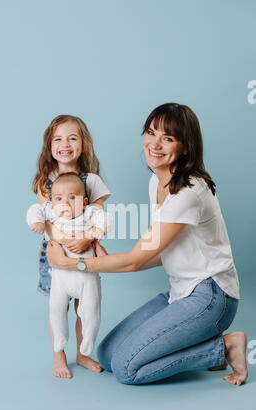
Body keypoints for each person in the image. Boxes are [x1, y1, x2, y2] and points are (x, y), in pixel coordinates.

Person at [46, 103, 248, 386]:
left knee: (127, 369)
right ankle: (200, 341)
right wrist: (105, 258)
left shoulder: (188, 192)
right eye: (151, 132)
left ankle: (223, 347)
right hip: (180, 291)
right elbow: (155, 251)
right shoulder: (158, 180)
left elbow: (137, 260)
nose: (154, 144)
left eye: (168, 138)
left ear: (186, 146)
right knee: (106, 355)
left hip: (212, 297)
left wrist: (75, 263)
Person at [32, 115, 111, 378]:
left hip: (85, 250)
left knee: (84, 304)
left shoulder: (92, 179)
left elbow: (98, 214)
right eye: (58, 139)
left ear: (83, 145)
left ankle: (83, 353)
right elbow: (45, 219)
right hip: (56, 250)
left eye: (72, 138)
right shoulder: (46, 181)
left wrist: (88, 239)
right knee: (58, 305)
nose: (65, 144)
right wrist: (66, 242)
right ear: (49, 147)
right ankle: (59, 354)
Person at [27, 172, 113, 359]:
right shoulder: (51, 211)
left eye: (72, 198)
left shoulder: (89, 213)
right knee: (56, 307)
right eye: (58, 198)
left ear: (83, 202)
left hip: (86, 276)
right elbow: (35, 209)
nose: (64, 203)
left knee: (91, 308)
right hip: (61, 276)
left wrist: (98, 230)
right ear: (52, 201)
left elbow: (106, 218)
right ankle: (60, 337)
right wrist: (36, 222)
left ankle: (88, 339)